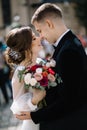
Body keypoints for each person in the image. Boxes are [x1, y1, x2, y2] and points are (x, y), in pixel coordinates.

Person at [15, 3, 87, 130]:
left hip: (68, 123)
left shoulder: (68, 50)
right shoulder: (68, 44)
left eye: (39, 30)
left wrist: (35, 115)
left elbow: (70, 99)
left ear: (49, 24)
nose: (40, 36)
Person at [5, 26, 46, 130]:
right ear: (26, 47)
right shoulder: (20, 72)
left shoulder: (41, 63)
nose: (38, 38)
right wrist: (34, 100)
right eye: (33, 38)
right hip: (34, 125)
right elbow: (18, 109)